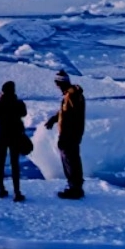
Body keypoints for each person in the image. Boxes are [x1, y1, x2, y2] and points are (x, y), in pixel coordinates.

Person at [44, 69, 86, 199]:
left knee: (70, 160)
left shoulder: (71, 95)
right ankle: (75, 186)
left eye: (56, 83)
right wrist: (55, 119)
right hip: (72, 133)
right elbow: (66, 112)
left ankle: (74, 188)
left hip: (69, 134)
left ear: (59, 83)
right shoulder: (70, 94)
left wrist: (67, 133)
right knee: (72, 159)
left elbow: (72, 115)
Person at [0, 80, 27, 202]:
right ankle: (17, 192)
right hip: (15, 136)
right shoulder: (18, 103)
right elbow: (24, 113)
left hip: (1, 136)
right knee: (15, 164)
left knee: (0, 162)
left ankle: (1, 189)